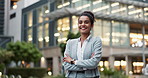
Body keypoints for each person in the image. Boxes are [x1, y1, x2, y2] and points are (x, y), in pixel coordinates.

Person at [63, 11, 102, 78]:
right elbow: (66, 65)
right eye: (80, 22)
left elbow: (94, 63)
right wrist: (88, 66)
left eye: (86, 22)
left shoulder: (96, 41)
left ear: (91, 25)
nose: (83, 24)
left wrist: (73, 61)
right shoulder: (70, 43)